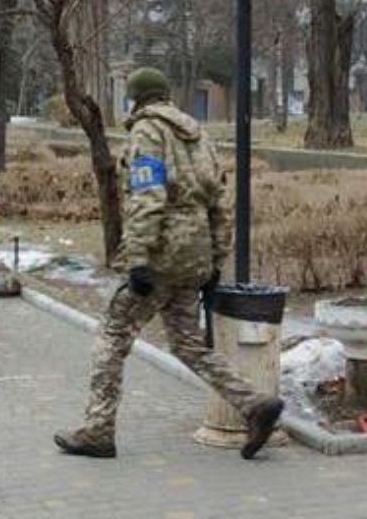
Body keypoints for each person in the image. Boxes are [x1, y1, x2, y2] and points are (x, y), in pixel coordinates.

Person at [55, 67, 283, 460]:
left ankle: (98, 429)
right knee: (188, 342)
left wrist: (139, 259)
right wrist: (214, 262)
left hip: (160, 255)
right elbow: (220, 203)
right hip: (194, 257)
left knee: (112, 336)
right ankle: (254, 403)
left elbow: (148, 197)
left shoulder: (147, 131)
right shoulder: (199, 136)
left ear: (136, 98)